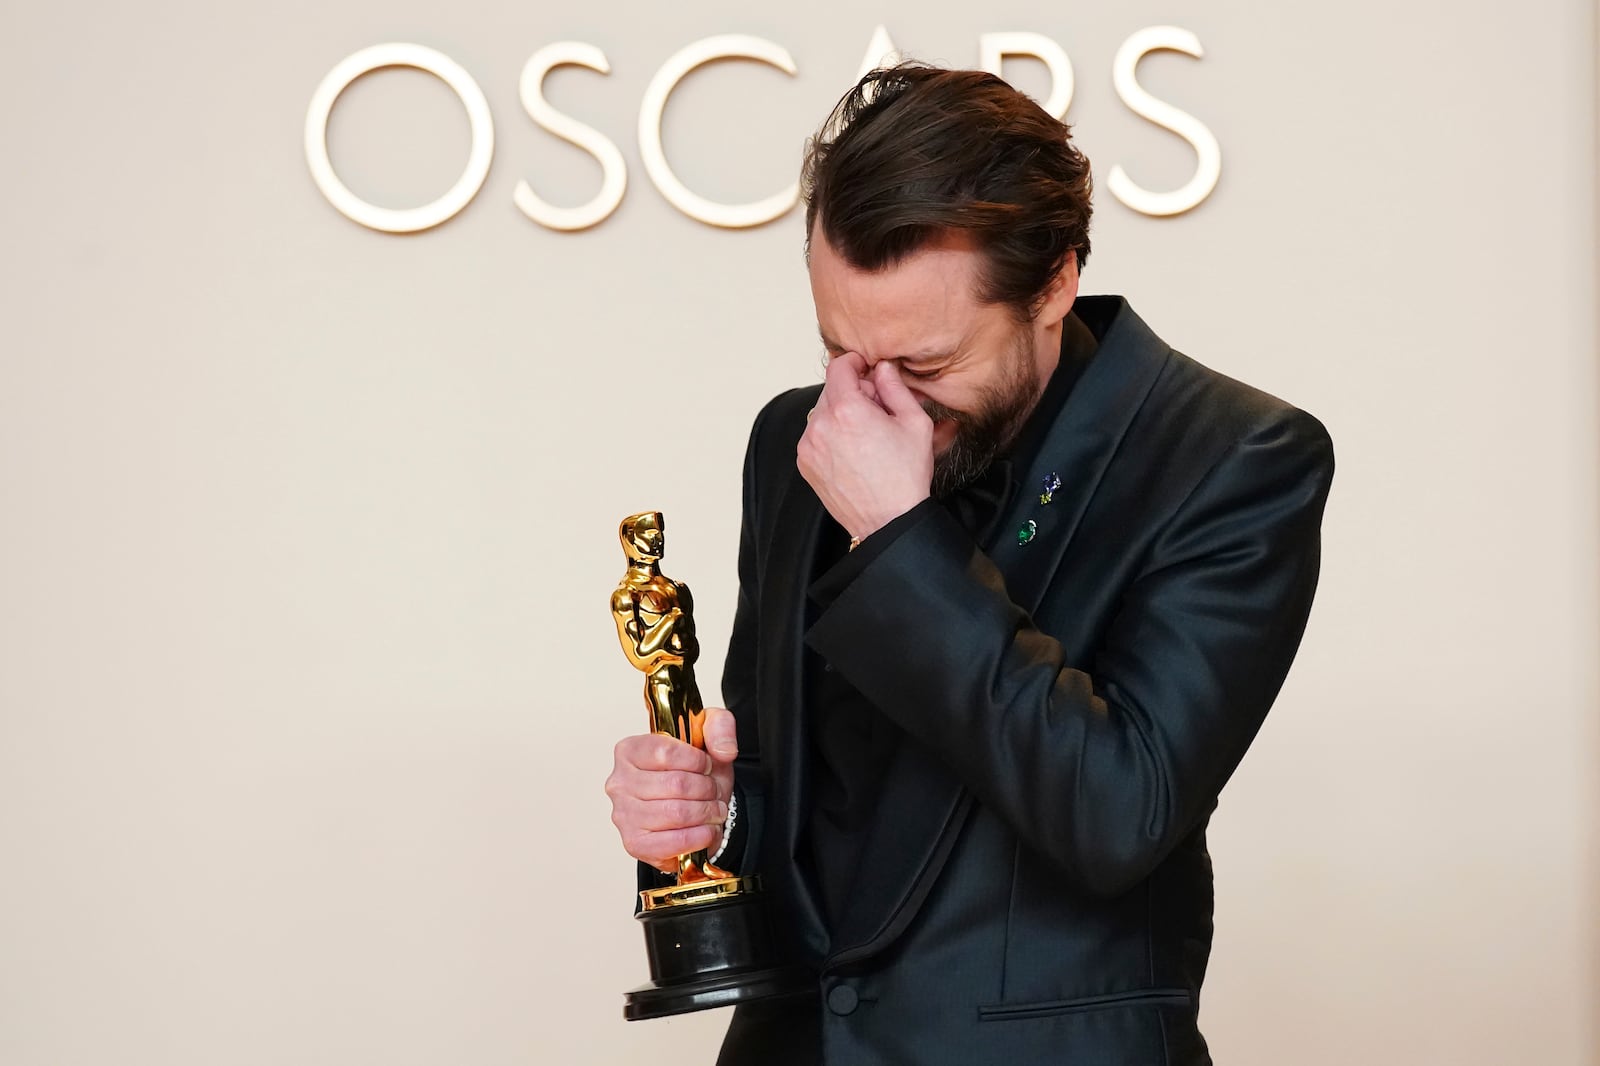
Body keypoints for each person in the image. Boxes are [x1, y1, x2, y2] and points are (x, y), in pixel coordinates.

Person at [604, 64, 1334, 1065]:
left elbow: (1117, 812)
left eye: (928, 365)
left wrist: (898, 535)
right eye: (841, 349)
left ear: (1055, 283)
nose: (873, 399)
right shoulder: (797, 439)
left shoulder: (1232, 458)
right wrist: (713, 815)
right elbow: (804, 794)